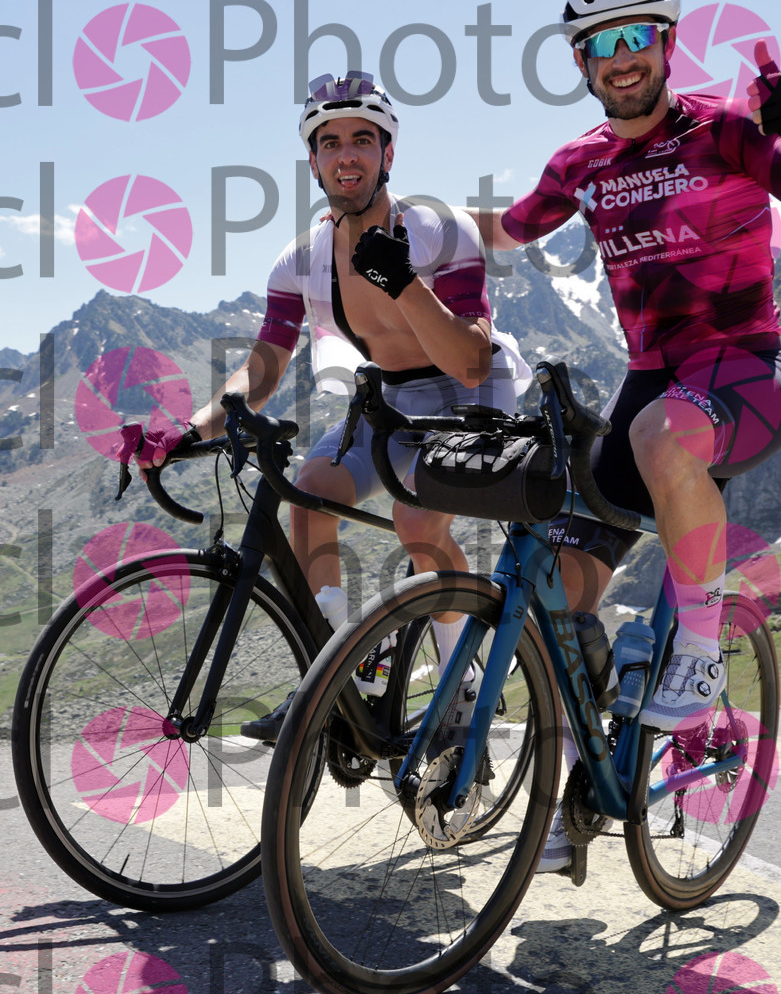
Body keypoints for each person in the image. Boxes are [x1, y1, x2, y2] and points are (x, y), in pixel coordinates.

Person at [464, 0, 781, 872]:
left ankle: (696, 652)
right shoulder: (581, 163)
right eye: (600, 43)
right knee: (555, 584)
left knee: (660, 435)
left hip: (745, 371)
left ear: (666, 42)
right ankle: (586, 783)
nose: (621, 57)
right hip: (650, 386)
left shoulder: (727, 133)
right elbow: (504, 230)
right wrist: (403, 222)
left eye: (636, 37)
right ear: (581, 60)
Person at [134, 71, 528, 740]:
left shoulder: (441, 229)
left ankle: (461, 676)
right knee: (308, 493)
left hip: (471, 395)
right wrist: (188, 430)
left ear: (388, 152)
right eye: (330, 142)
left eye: (362, 140)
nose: (347, 155)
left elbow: (469, 358)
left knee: (416, 520)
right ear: (313, 161)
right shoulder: (302, 258)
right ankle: (345, 669)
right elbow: (263, 366)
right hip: (391, 398)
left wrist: (402, 283)